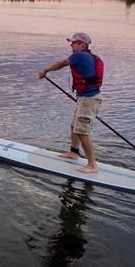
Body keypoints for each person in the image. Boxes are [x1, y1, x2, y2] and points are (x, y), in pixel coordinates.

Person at [37, 32, 104, 173]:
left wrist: (45, 70)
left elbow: (61, 63)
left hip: (89, 100)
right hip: (85, 98)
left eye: (74, 42)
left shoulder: (79, 55)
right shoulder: (90, 57)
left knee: (81, 131)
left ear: (82, 44)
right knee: (75, 126)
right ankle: (74, 152)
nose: (71, 45)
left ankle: (92, 165)